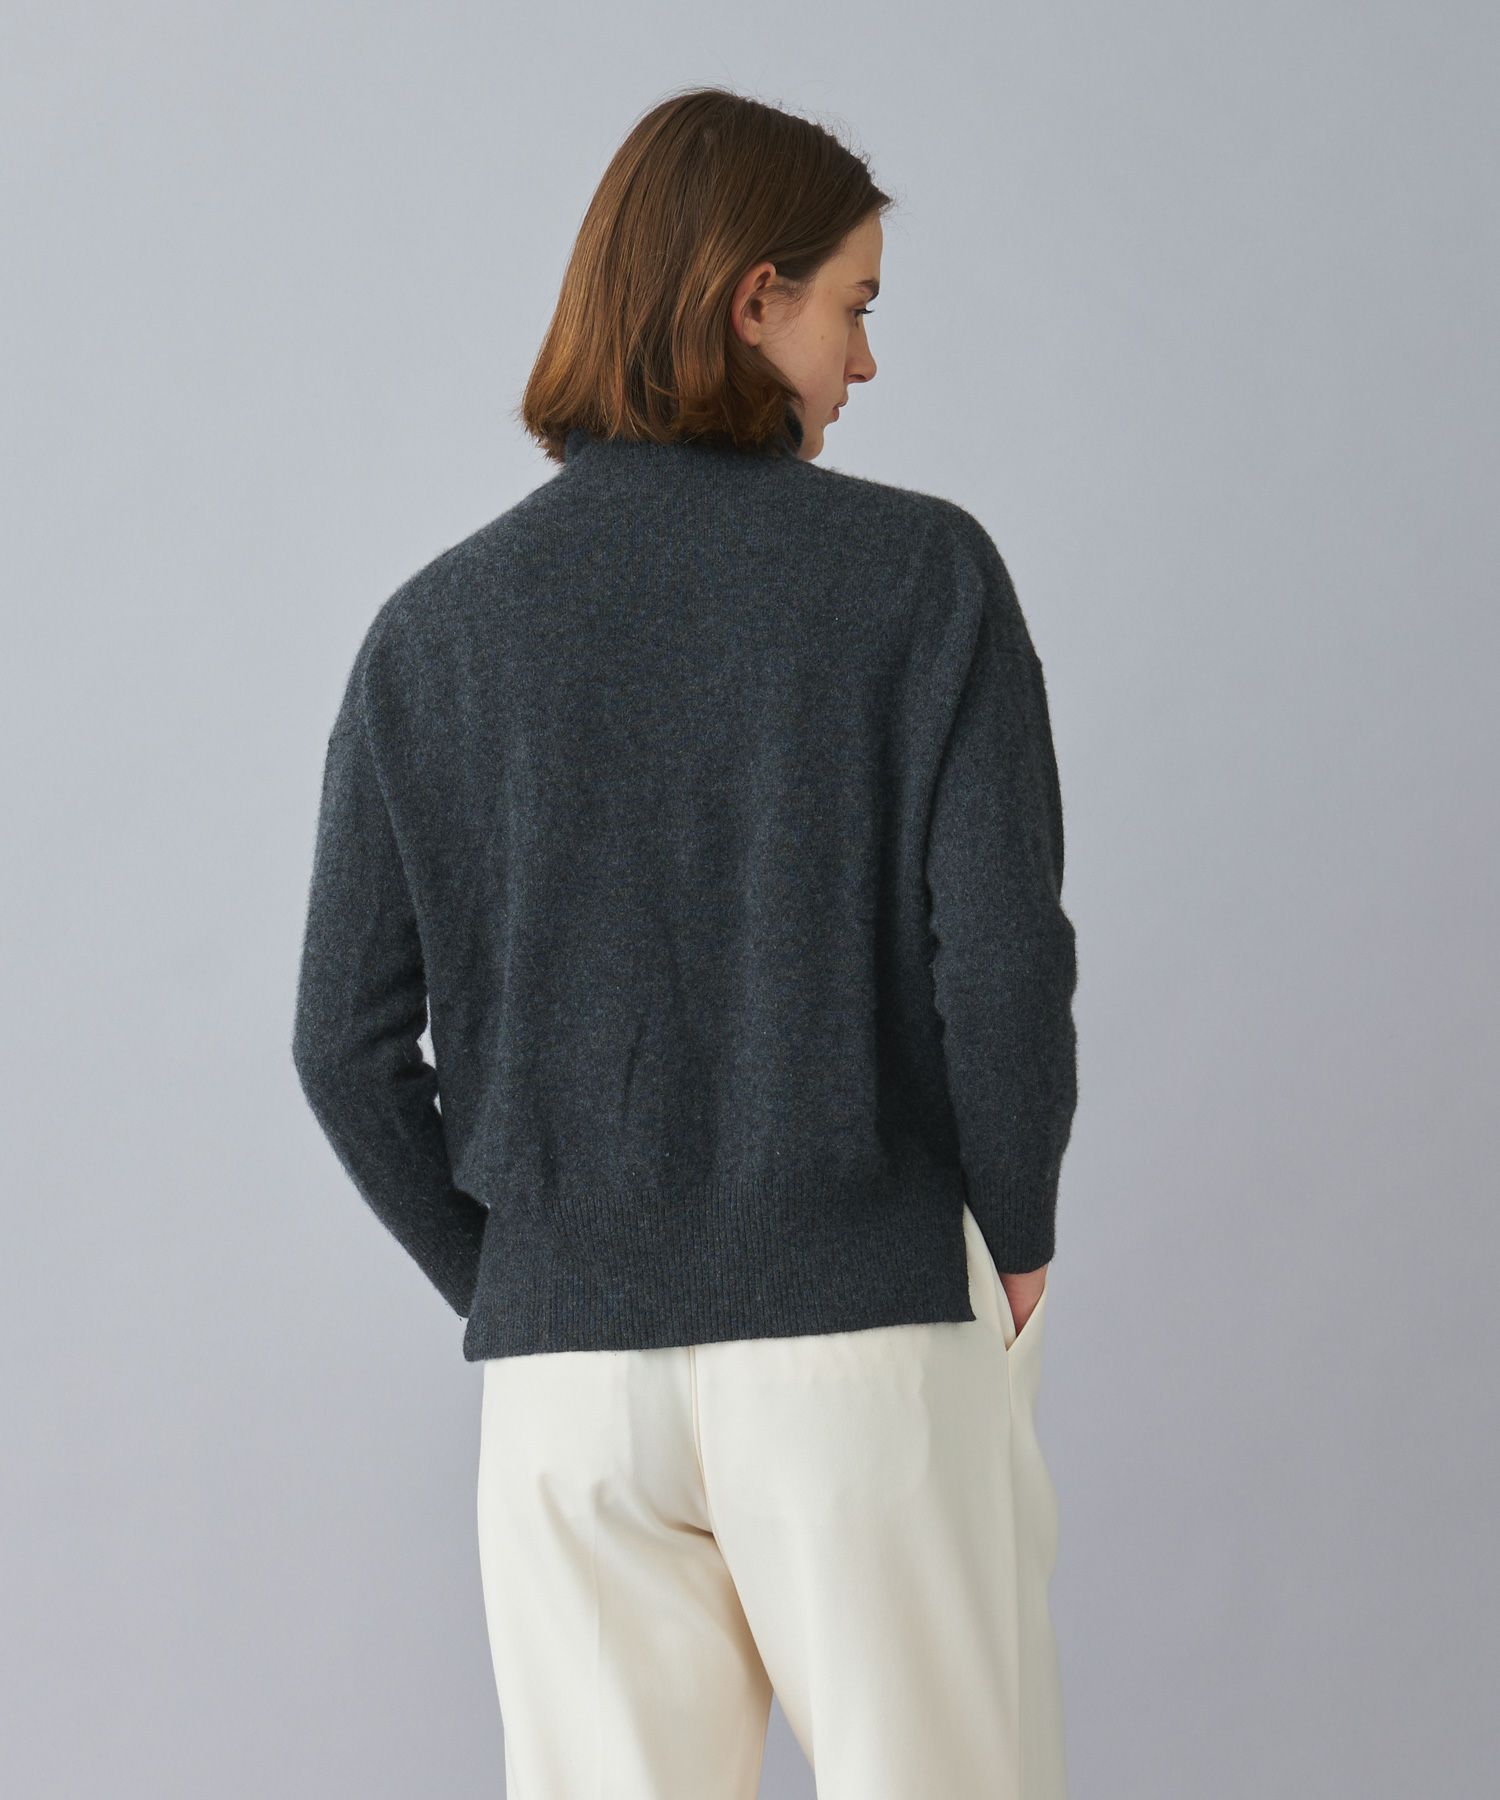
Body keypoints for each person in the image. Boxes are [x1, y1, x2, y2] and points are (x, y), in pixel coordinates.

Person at [292, 84, 1078, 1800]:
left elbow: (341, 1045)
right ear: (752, 300)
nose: (864, 361)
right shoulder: (923, 577)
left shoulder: (432, 631)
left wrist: (525, 1279)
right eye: (852, 306)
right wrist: (1016, 1232)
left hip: (567, 1393)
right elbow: (1004, 958)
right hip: (864, 1334)